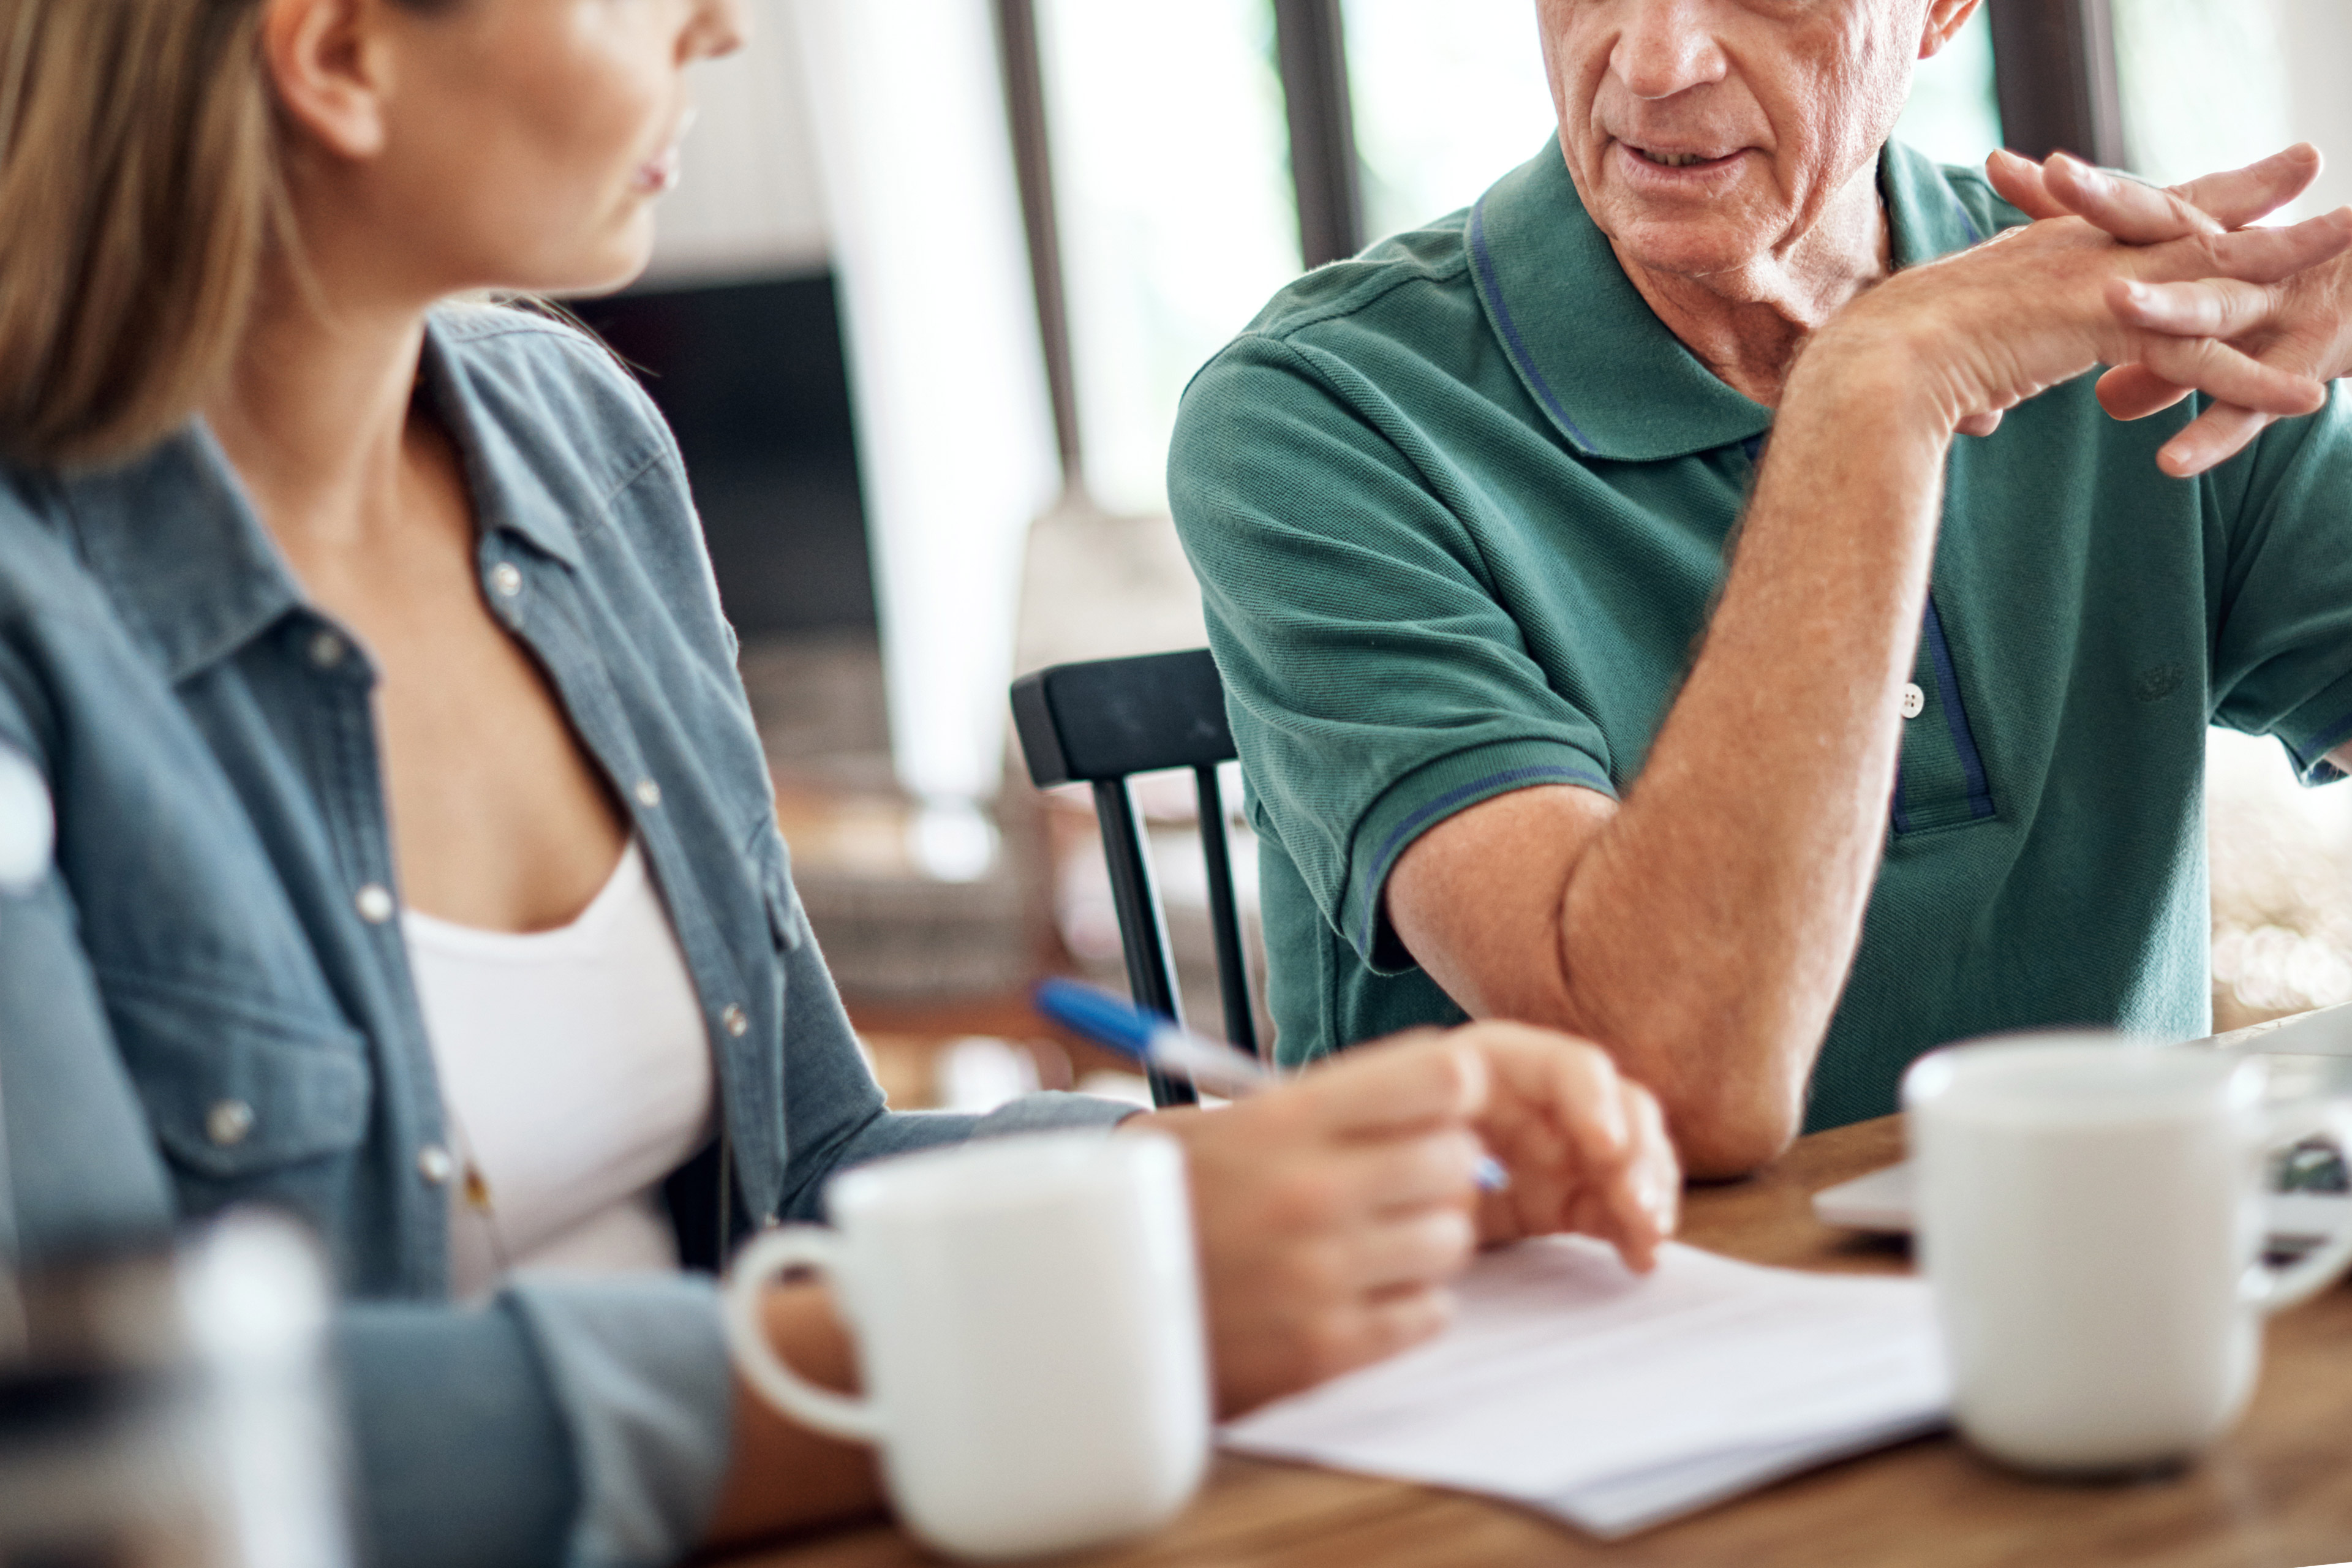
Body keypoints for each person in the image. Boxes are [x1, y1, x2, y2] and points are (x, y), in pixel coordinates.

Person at [0, 1, 1681, 1565]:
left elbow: (806, 1173)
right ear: (341, 54)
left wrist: (1254, 1179)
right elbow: (101, 1457)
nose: (723, 24)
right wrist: (1065, 1310)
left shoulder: (577, 442)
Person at [1167, 0, 2352, 1179]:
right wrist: (1875, 384)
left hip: (2104, 1281)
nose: (1653, 62)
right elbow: (1674, 1084)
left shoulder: (2139, 317)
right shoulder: (1315, 416)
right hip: (1587, 1332)